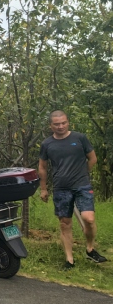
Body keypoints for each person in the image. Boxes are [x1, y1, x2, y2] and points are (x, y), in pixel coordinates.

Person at [38, 110, 106, 270]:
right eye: (57, 124)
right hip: (61, 187)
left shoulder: (80, 138)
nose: (60, 126)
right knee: (65, 223)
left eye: (63, 123)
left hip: (82, 185)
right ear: (51, 125)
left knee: (89, 219)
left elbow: (93, 158)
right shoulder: (47, 144)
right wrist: (43, 189)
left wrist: (83, 173)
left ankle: (90, 248)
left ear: (68, 122)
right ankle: (69, 260)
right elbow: (42, 167)